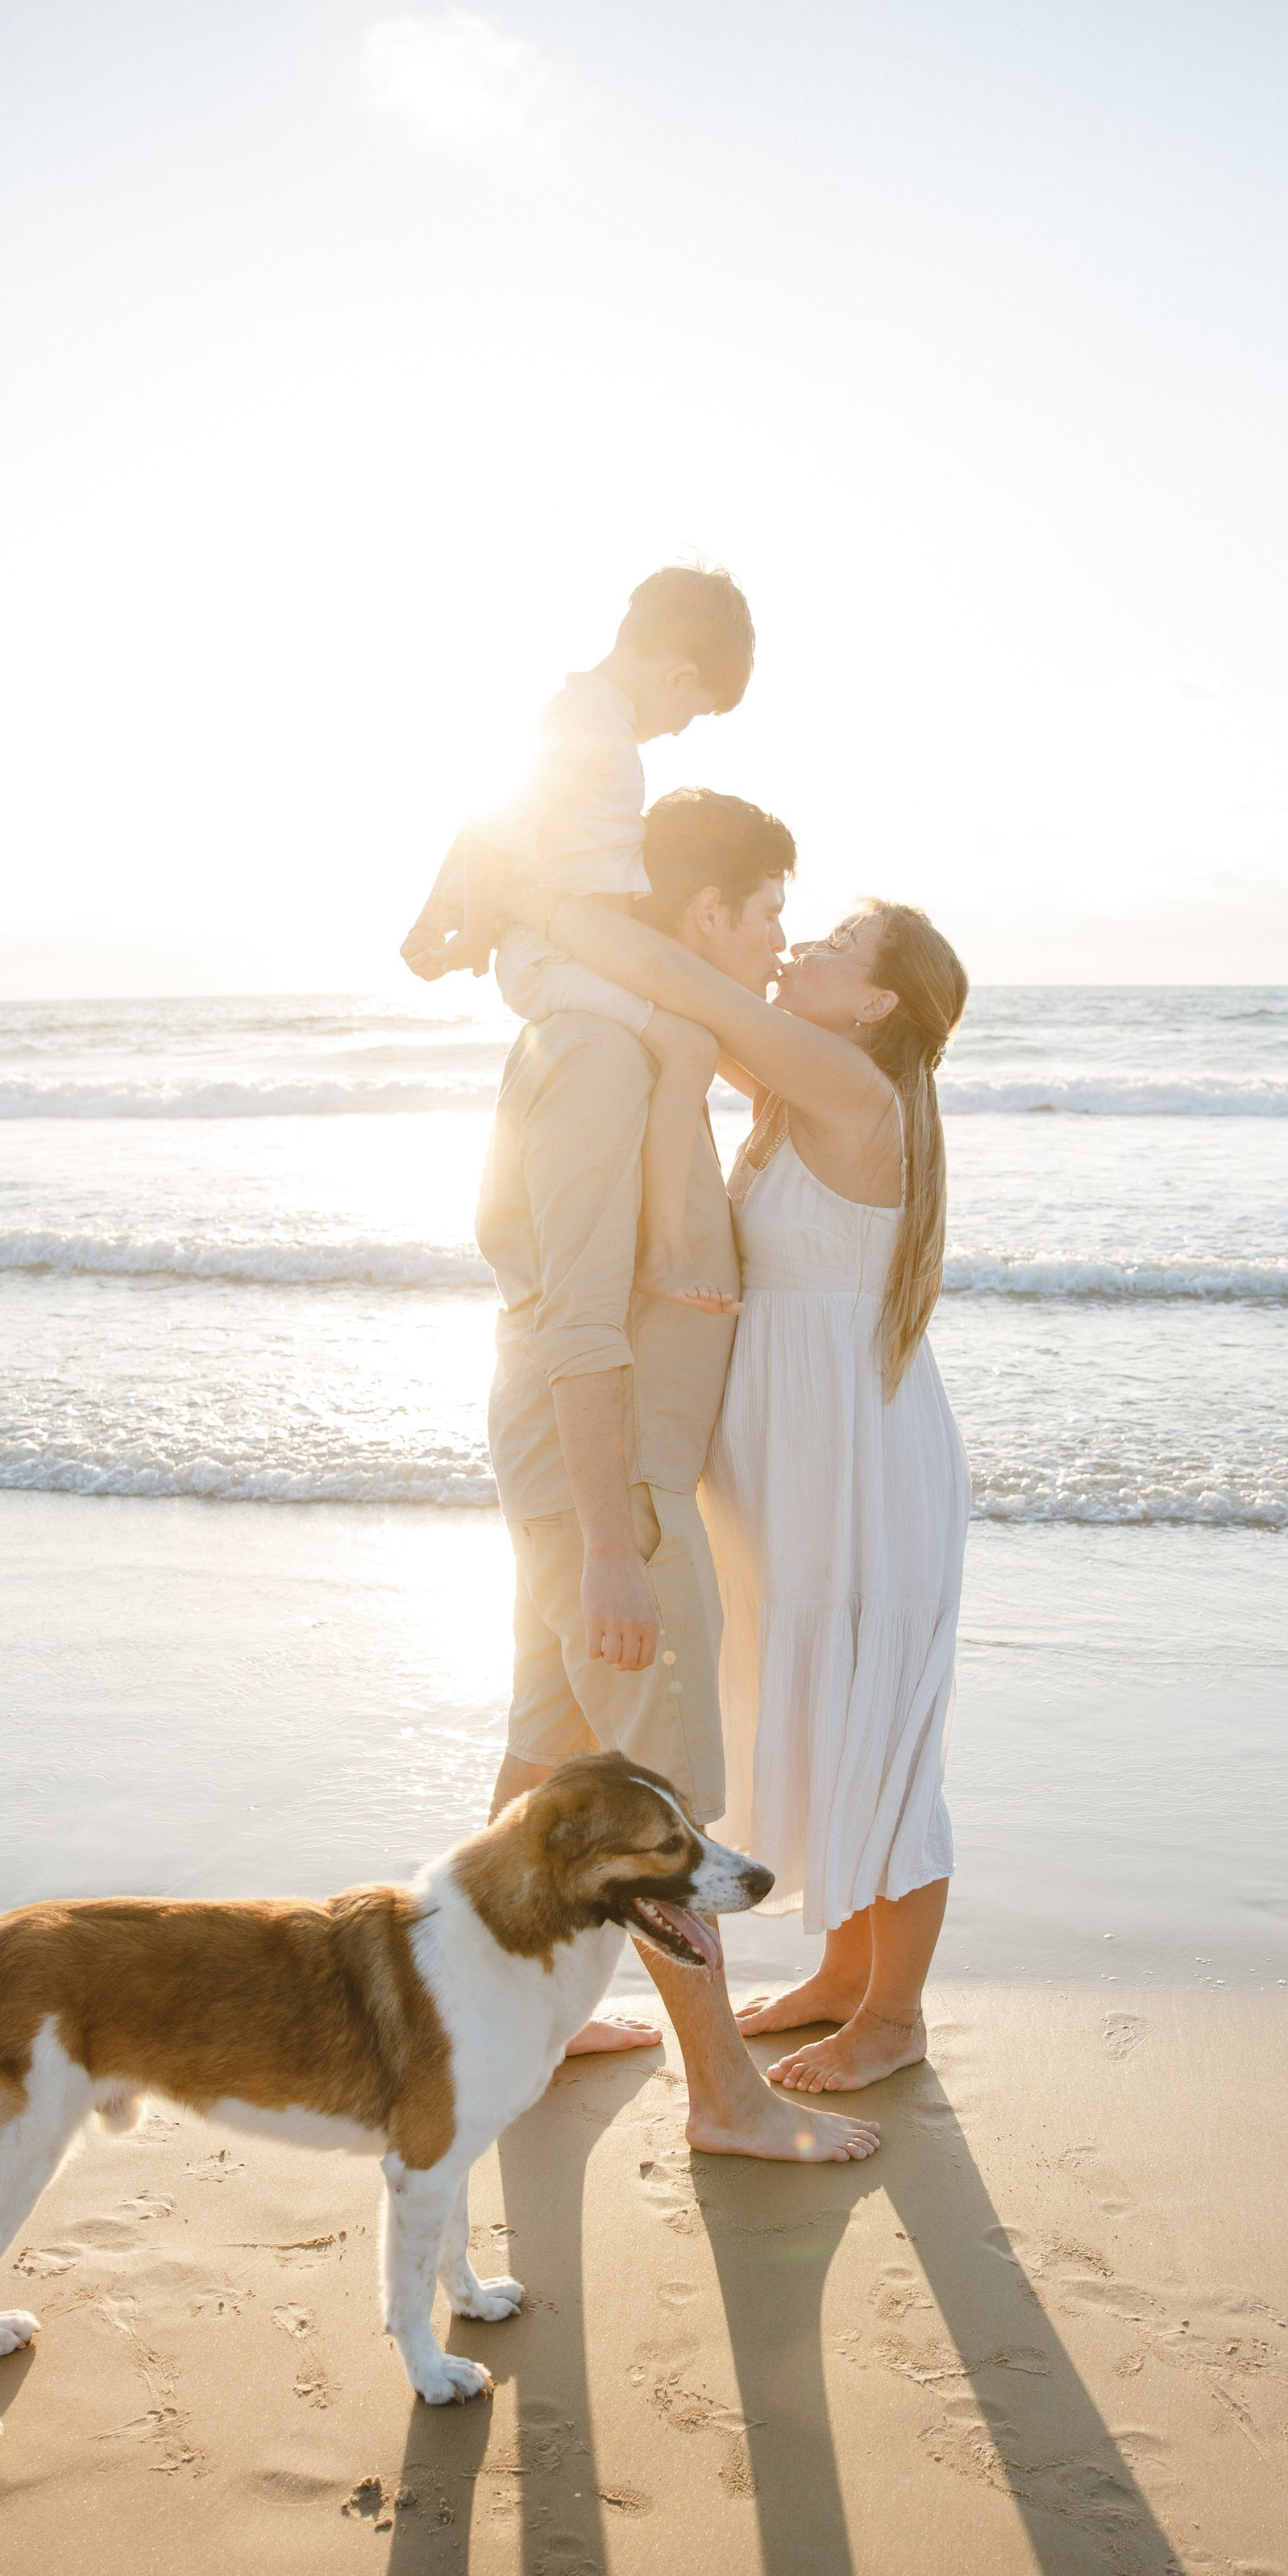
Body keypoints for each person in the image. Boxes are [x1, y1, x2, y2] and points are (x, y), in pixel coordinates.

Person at [476, 784, 879, 2162]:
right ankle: (726, 2099)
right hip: (613, 1474)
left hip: (609, 1469)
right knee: (660, 1803)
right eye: (768, 910)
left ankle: (500, 2011)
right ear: (707, 911)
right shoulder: (603, 1052)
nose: (778, 940)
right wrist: (607, 1541)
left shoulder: (652, 1044)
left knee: (545, 1748)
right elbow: (579, 1316)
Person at [522, 883, 971, 2096]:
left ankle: (896, 2018)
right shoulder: (792, 1096)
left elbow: (687, 992)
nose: (803, 951)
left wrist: (540, 893)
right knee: (822, 1709)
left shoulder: (850, 1090)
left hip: (859, 1465)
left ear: (876, 1002)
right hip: (793, 1455)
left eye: (832, 946)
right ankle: (839, 1978)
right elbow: (677, 1037)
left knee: (882, 1736)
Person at [403, 564, 756, 1313]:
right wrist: (467, 933)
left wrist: (433, 915)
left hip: (579, 946)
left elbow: (483, 814)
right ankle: (660, 1253)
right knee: (690, 1046)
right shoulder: (592, 724)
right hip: (550, 956)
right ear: (679, 672)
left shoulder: (584, 718)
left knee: (692, 1030)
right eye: (690, 712)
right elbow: (494, 827)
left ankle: (661, 1232)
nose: (681, 730)